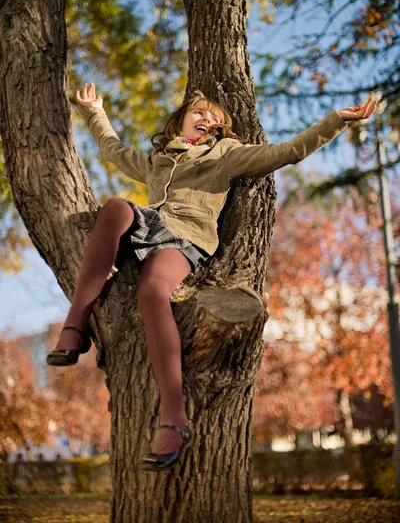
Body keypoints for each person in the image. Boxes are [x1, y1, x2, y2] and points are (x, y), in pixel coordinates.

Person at [46, 83, 377, 471]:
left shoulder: (226, 155)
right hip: (148, 223)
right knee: (117, 207)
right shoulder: (159, 160)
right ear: (181, 120)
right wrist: (94, 111)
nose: (207, 119)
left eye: (215, 118)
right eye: (200, 112)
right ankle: (75, 326)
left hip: (186, 238)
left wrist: (336, 121)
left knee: (152, 294)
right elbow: (113, 150)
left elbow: (287, 152)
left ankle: (174, 418)